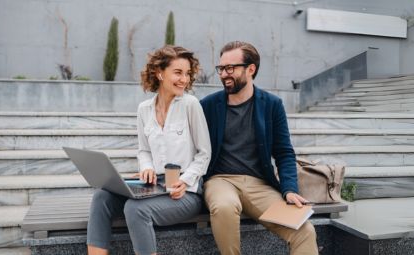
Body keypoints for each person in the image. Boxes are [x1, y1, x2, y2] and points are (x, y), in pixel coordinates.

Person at [86, 45, 212, 255]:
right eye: (178, 72)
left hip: (185, 192)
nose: (185, 79)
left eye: (187, 73)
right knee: (102, 197)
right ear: (159, 73)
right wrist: (146, 167)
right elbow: (144, 150)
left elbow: (204, 153)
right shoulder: (144, 109)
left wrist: (186, 180)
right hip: (153, 186)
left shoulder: (191, 105)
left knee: (135, 210)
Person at [199, 41, 318, 255]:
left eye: (230, 68)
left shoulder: (272, 104)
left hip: (259, 186)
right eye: (221, 68)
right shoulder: (207, 105)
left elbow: (284, 152)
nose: (224, 74)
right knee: (224, 207)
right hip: (220, 181)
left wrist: (289, 189)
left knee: (305, 231)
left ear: (250, 69)